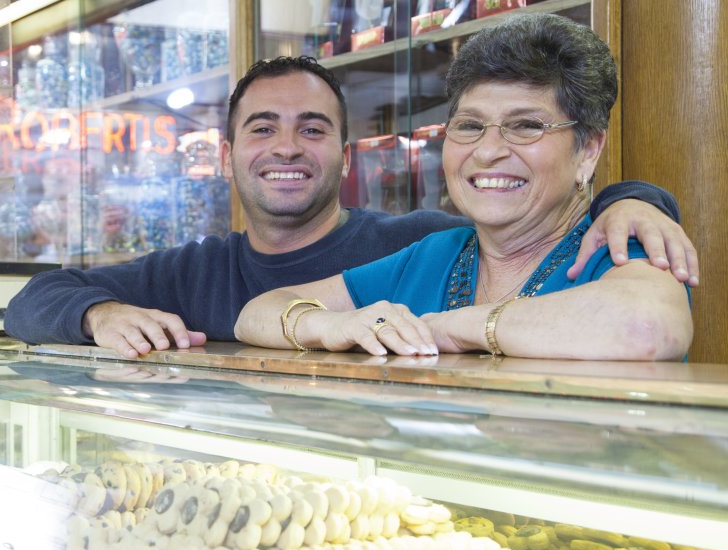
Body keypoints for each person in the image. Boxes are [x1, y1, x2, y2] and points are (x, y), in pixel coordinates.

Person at [4, 53, 697, 359]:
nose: (287, 148)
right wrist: (100, 313)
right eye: (469, 127)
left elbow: (636, 315)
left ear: (346, 153)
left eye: (312, 128)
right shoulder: (190, 269)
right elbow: (34, 299)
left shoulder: (412, 241)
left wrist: (632, 197)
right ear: (225, 155)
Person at [234, 14, 691, 361]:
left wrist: (455, 328)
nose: (488, 151)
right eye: (469, 126)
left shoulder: (617, 244)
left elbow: (647, 327)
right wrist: (328, 325)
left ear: (588, 150)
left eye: (526, 125)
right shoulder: (435, 254)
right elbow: (257, 313)